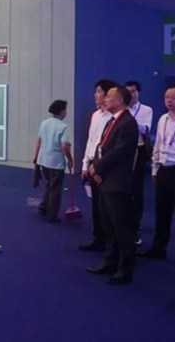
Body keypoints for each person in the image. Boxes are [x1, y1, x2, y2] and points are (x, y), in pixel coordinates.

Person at [139, 85, 175, 278]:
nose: (169, 101)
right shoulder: (163, 119)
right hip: (164, 170)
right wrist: (155, 168)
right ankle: (158, 247)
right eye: (166, 97)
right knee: (161, 213)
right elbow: (158, 145)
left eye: (173, 98)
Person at [87, 86, 139, 285]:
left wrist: (97, 168)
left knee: (122, 228)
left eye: (109, 96)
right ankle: (111, 262)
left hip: (117, 182)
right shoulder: (112, 120)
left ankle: (125, 269)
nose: (105, 99)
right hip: (105, 180)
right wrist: (95, 168)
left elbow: (119, 152)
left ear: (120, 100)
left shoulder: (128, 122)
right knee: (108, 225)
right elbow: (101, 147)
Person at [79, 79, 117, 251]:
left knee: (108, 207)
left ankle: (111, 241)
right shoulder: (95, 115)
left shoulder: (114, 117)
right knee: (96, 205)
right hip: (93, 164)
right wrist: (85, 165)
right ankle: (98, 238)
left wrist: (99, 167)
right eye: (96, 92)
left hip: (106, 167)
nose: (96, 95)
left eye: (99, 92)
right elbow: (91, 141)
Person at [32, 100, 73, 223]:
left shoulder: (44, 123)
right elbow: (65, 146)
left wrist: (35, 155)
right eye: (65, 109)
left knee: (49, 184)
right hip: (56, 162)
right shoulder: (64, 127)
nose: (66, 112)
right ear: (61, 111)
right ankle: (52, 215)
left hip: (43, 160)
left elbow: (39, 141)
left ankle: (44, 207)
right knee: (55, 189)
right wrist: (70, 159)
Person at [125, 81, 153, 243]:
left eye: (133, 91)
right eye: (127, 91)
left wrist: (128, 124)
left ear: (138, 93)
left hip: (138, 150)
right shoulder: (122, 109)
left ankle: (136, 222)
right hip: (123, 151)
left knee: (136, 189)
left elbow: (146, 129)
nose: (130, 94)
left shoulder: (146, 110)